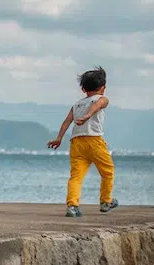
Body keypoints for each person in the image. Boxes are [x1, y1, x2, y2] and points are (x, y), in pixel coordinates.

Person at [47, 66, 118, 217]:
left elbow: (66, 122)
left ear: (83, 89)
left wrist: (59, 138)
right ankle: (106, 201)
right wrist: (88, 116)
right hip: (94, 140)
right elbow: (97, 105)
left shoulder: (77, 104)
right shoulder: (102, 99)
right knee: (107, 172)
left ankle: (72, 206)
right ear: (103, 88)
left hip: (76, 143)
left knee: (76, 177)